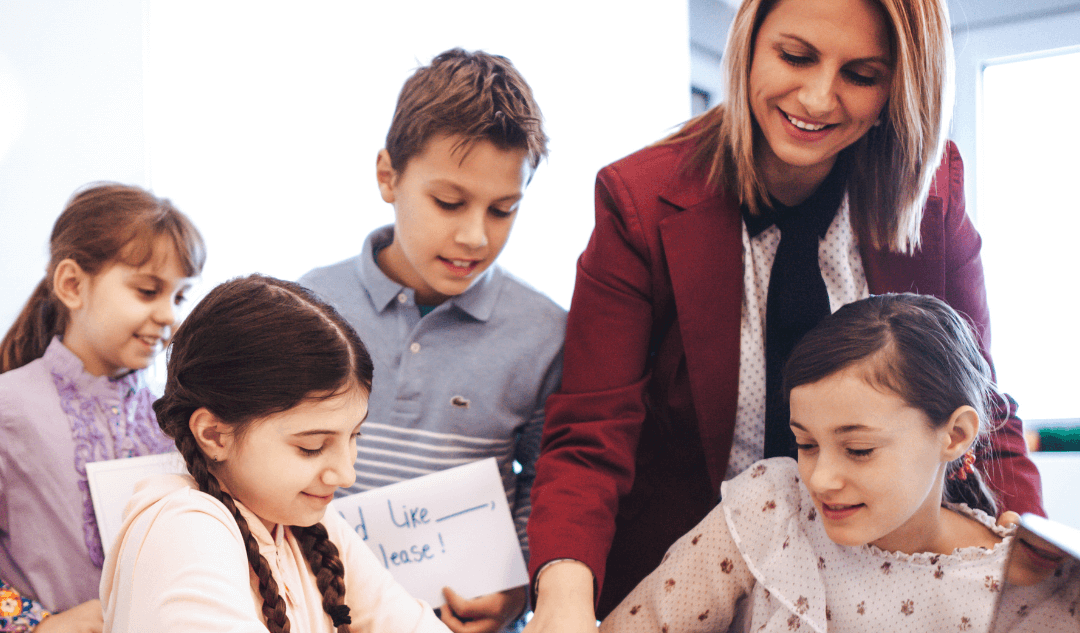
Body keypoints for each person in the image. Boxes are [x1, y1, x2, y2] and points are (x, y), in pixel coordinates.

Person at [525, 0, 1044, 628]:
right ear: (748, 45)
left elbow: (978, 398)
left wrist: (1035, 549)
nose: (818, 99)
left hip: (873, 578)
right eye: (795, 57)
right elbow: (591, 431)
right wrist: (562, 599)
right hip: (687, 571)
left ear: (898, 89)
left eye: (861, 75)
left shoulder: (930, 197)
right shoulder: (640, 201)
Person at [300, 48, 565, 633]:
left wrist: (518, 587)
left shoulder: (546, 334)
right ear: (387, 176)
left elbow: (549, 484)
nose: (474, 236)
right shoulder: (308, 306)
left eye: (503, 210)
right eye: (449, 202)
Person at [599, 293, 1021, 632]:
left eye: (858, 450)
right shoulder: (773, 506)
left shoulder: (1015, 588)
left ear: (956, 435)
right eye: (806, 444)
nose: (819, 480)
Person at [99, 275, 451, 633]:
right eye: (311, 447)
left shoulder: (309, 524)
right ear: (213, 434)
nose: (347, 475)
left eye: (354, 436)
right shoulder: (184, 529)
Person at [0, 183, 205, 632]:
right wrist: (35, 624)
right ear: (72, 285)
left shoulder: (177, 418)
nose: (169, 315)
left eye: (179, 297)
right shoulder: (9, 408)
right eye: (148, 291)